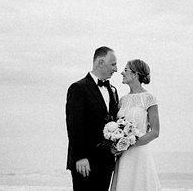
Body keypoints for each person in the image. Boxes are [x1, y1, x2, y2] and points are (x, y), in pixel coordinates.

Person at [66, 46, 119, 191]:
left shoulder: (113, 90)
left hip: (106, 162)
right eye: (113, 64)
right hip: (85, 162)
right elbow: (74, 125)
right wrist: (80, 157)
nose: (116, 69)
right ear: (100, 62)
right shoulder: (78, 88)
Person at [110, 59, 161, 191]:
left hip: (139, 153)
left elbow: (155, 131)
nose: (121, 72)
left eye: (125, 70)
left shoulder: (149, 98)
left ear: (135, 74)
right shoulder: (122, 100)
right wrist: (117, 144)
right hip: (123, 156)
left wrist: (128, 143)